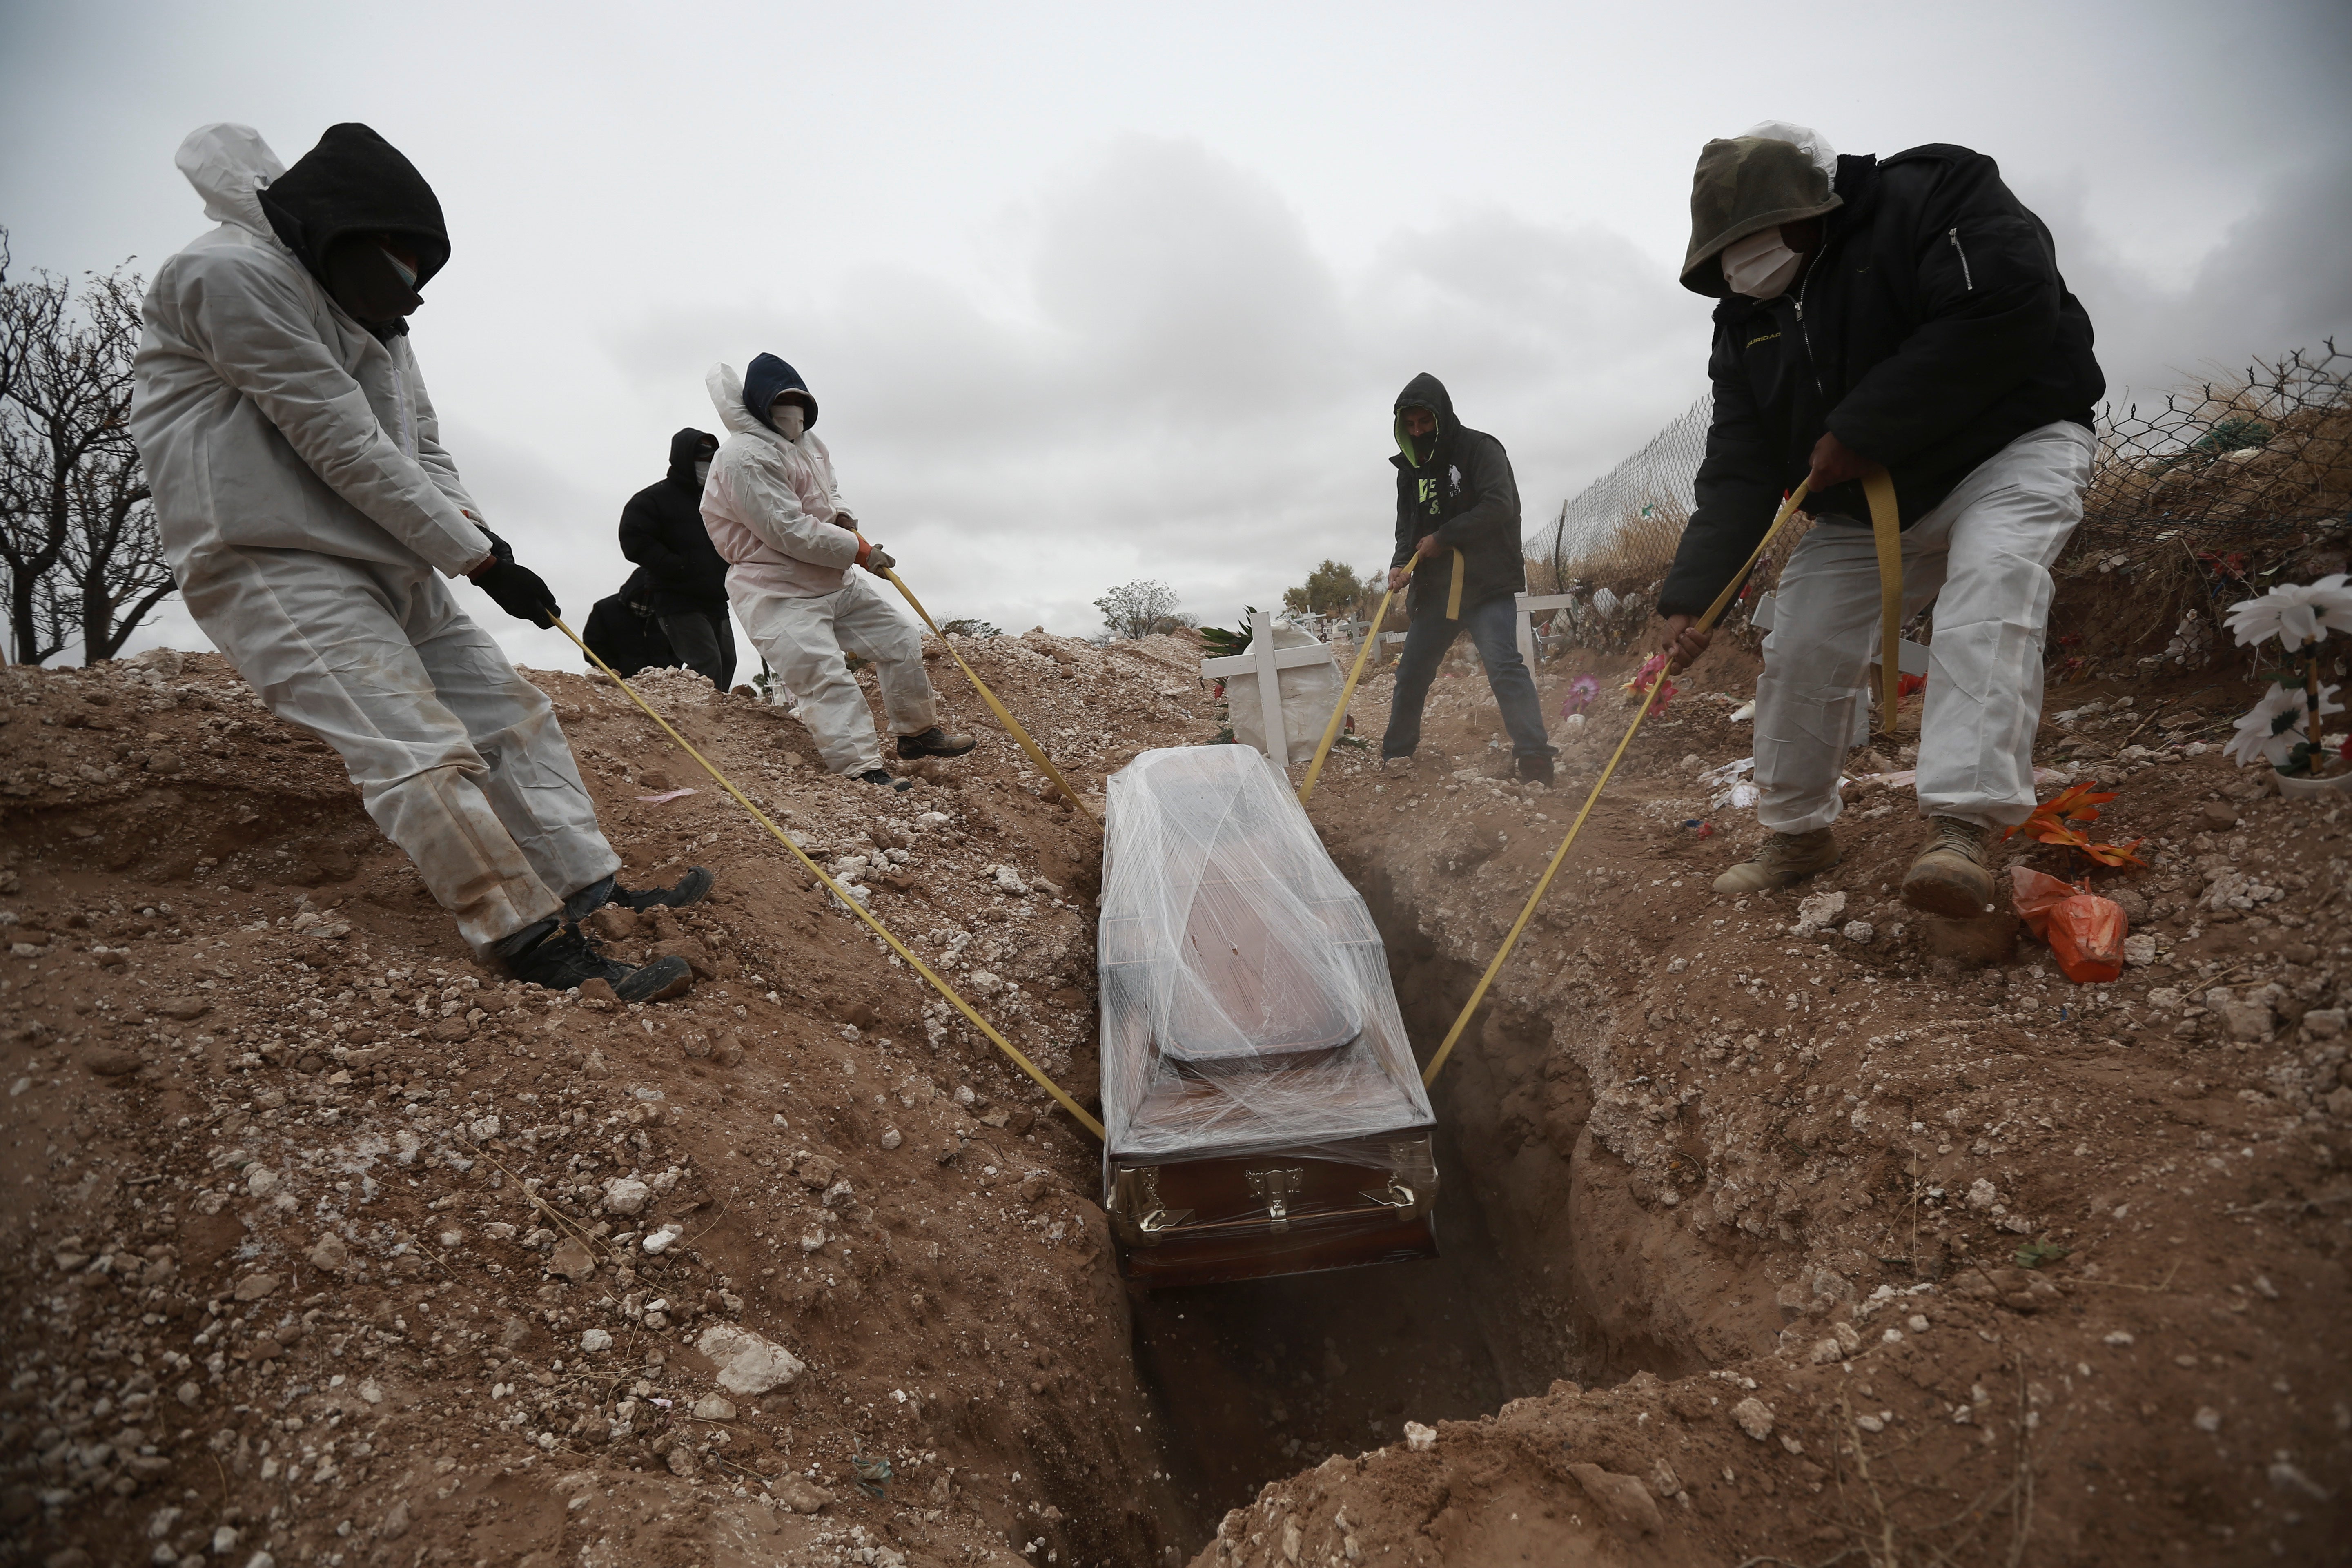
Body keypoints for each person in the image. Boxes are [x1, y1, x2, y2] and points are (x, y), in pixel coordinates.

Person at [129, 122, 710, 1001]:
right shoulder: (226, 274)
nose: (408, 280)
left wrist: (488, 544)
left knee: (511, 715)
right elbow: (339, 438)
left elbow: (420, 449)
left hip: (392, 555)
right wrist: (474, 560)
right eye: (398, 255)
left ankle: (591, 890)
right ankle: (526, 939)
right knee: (415, 747)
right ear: (347, 230)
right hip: (271, 558)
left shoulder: (381, 318)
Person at [1656, 123, 2104, 916]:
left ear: (1811, 207)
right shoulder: (1743, 320)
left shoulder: (1933, 195)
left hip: (2003, 453)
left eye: (1755, 237)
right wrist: (1694, 598)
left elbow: (2003, 307)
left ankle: (1961, 829)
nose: (1742, 262)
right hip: (1864, 506)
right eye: (1726, 249)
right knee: (1801, 641)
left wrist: (1863, 429)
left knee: (1990, 593)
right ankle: (1798, 833)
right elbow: (1739, 465)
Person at [699, 354, 972, 790]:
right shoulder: (742, 458)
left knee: (899, 639)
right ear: (758, 404)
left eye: (799, 403)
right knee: (824, 676)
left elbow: (829, 490)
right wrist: (859, 550)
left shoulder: (809, 443)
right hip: (775, 590)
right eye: (783, 403)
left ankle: (916, 736)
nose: (793, 413)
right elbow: (787, 531)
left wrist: (844, 518)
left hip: (831, 579)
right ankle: (863, 771)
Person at [1380, 373, 1557, 784]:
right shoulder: (1409, 468)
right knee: (1411, 673)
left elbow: (1500, 505)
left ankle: (1534, 760)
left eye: (1425, 423)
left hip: (1486, 585)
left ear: (1441, 418)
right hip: (1437, 592)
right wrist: (1400, 563)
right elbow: (1407, 526)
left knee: (1504, 666)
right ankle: (1397, 758)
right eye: (1411, 426)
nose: (1419, 431)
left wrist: (1445, 538)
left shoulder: (1480, 449)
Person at [618, 428, 736, 688]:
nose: (707, 466)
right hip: (677, 597)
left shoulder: (717, 500)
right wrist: (677, 566)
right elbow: (633, 540)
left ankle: (717, 718)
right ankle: (701, 719)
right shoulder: (652, 500)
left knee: (728, 660)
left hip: (715, 596)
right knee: (707, 661)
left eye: (712, 460)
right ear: (684, 458)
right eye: (702, 459)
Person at [581, 566, 679, 678]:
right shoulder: (605, 610)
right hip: (620, 683)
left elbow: (681, 642)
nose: (648, 597)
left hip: (665, 683)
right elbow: (593, 645)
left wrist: (671, 667)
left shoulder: (667, 610)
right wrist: (615, 670)